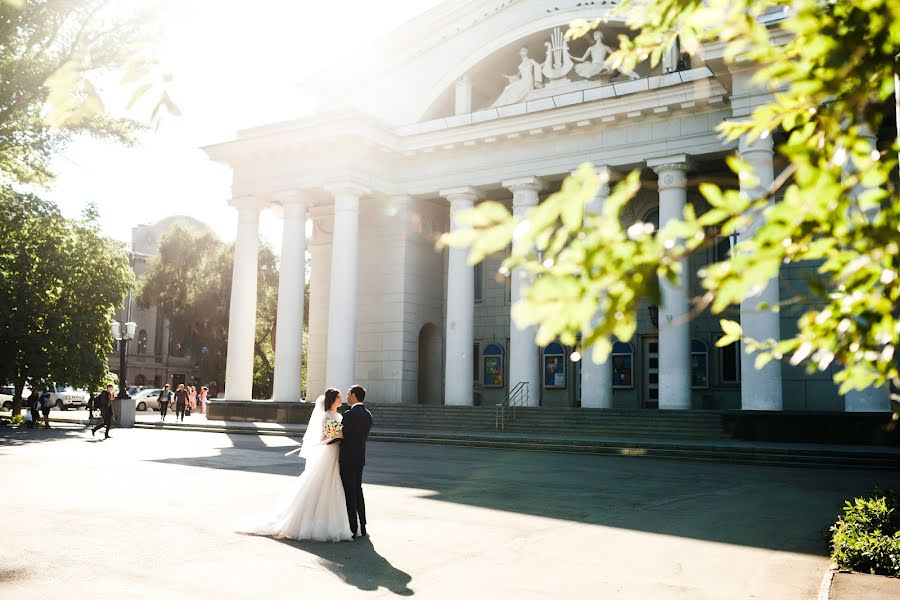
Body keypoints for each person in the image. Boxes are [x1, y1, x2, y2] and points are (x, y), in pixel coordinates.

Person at [236, 388, 353, 542]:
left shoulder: (338, 415)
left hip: (336, 453)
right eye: (338, 397)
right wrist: (338, 437)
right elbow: (325, 437)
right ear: (332, 400)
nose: (341, 399)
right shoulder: (327, 416)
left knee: (333, 485)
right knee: (323, 484)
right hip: (329, 452)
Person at [339, 384, 373, 538]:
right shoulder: (368, 415)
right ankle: (363, 526)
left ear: (353, 395)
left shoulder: (349, 414)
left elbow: (343, 434)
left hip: (347, 459)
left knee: (349, 493)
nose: (346, 396)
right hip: (360, 458)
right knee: (358, 491)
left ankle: (353, 528)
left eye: (348, 393)